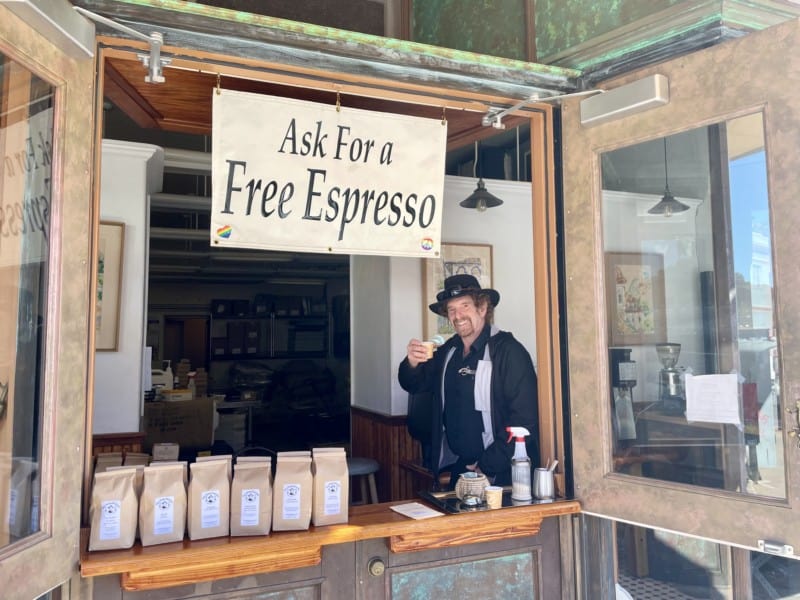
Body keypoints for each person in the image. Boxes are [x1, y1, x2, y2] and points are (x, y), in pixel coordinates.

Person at [398, 273, 539, 489]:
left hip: (501, 474)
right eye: (452, 310)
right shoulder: (449, 351)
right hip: (461, 468)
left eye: (465, 306)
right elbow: (414, 384)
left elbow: (525, 419)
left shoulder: (509, 352)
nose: (458, 315)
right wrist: (412, 363)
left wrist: (487, 466)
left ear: (482, 308)